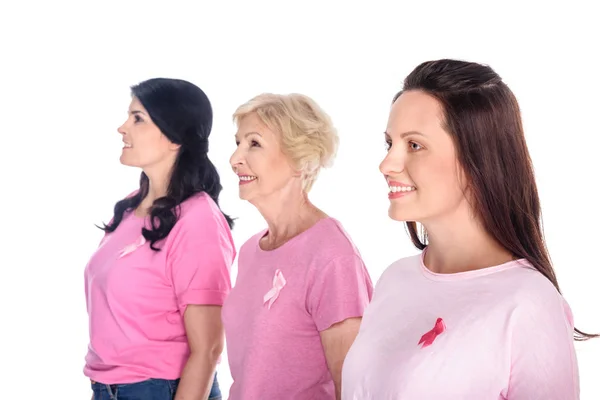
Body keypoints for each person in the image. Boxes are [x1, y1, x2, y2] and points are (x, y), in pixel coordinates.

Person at [342, 59, 597, 399]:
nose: (387, 164)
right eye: (390, 144)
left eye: (414, 145)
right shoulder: (395, 279)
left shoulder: (529, 304)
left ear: (478, 158)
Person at [83, 78, 235, 400]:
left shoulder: (198, 221)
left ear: (174, 137)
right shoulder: (130, 207)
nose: (122, 128)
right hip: (108, 389)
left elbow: (208, 348)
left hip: (160, 390)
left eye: (138, 118)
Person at [222, 93, 374, 400]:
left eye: (254, 143)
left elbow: (353, 388)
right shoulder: (251, 251)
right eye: (237, 143)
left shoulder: (332, 257)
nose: (235, 158)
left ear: (300, 161)